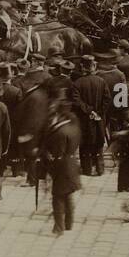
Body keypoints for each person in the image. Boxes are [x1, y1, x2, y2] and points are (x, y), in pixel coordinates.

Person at [41, 83, 82, 235]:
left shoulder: (60, 132)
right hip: (71, 164)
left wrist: (48, 160)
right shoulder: (74, 125)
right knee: (68, 195)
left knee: (57, 197)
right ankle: (69, 223)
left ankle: (58, 227)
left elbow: (56, 152)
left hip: (61, 166)